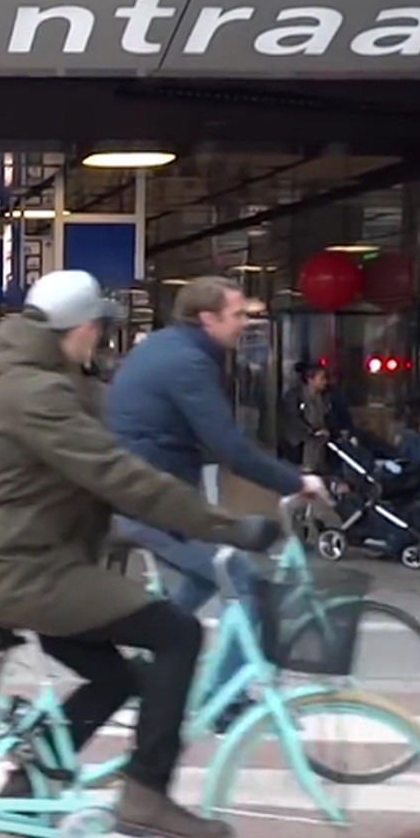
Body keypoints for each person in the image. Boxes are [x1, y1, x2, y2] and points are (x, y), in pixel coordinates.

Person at [0, 270, 279, 838]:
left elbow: (77, 476)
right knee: (177, 635)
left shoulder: (38, 380)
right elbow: (116, 475)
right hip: (25, 572)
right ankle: (146, 793)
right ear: (80, 328)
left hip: (25, 562)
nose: (99, 339)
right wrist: (224, 525)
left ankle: (26, 789)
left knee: (118, 677)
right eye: (98, 328)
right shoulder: (36, 392)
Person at [103, 276, 325, 723]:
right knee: (245, 582)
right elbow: (231, 448)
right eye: (238, 313)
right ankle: (227, 702)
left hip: (150, 494)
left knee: (208, 576)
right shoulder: (188, 363)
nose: (247, 321)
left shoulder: (170, 348)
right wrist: (295, 481)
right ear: (208, 318)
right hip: (148, 500)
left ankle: (152, 656)